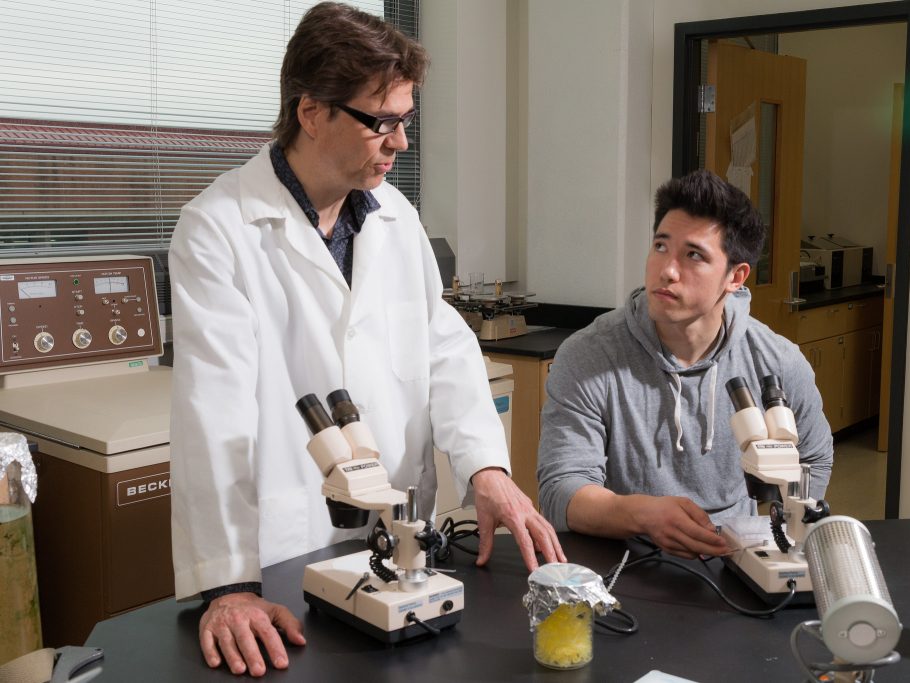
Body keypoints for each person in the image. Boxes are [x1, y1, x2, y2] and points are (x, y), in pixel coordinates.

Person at [169, 3, 564, 677]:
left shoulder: (395, 217)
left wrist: (486, 470)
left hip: (398, 541)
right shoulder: (218, 228)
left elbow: (443, 348)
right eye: (381, 122)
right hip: (281, 556)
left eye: (405, 121)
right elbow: (215, 416)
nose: (400, 142)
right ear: (312, 111)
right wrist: (231, 584)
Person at [537, 170, 833, 559]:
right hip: (626, 559)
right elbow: (561, 490)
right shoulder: (589, 356)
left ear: (736, 276)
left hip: (735, 557)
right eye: (661, 246)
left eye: (693, 255)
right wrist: (643, 515)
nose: (667, 270)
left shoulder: (777, 360)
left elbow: (814, 457)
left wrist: (777, 530)